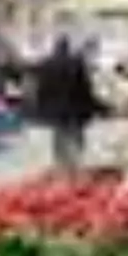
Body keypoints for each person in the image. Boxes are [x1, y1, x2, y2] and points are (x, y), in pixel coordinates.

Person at [33, 36, 101, 172]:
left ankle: (61, 163)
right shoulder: (76, 64)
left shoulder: (46, 64)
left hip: (55, 108)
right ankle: (74, 163)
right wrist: (92, 105)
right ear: (68, 48)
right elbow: (84, 87)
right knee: (75, 135)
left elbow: (41, 88)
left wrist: (40, 106)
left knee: (59, 135)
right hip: (74, 107)